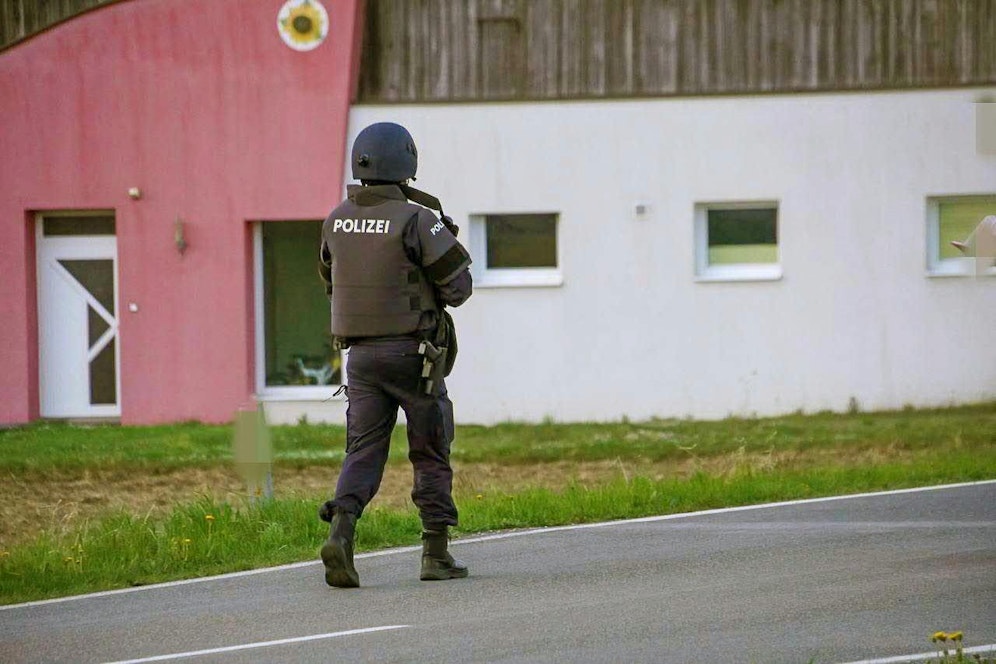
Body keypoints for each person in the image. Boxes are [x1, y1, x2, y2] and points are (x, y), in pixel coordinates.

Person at [316, 122, 473, 588]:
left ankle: (341, 534)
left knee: (362, 451)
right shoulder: (418, 219)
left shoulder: (335, 219)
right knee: (430, 449)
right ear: (406, 164)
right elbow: (459, 287)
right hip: (414, 356)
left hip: (360, 360)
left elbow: (330, 281)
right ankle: (436, 553)